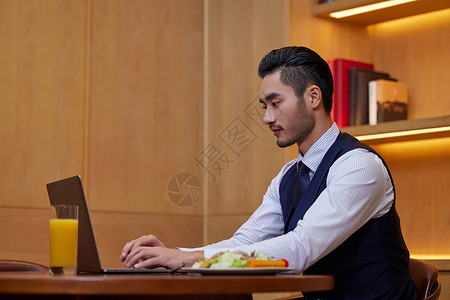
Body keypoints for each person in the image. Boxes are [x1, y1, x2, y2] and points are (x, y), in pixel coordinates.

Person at [120, 46, 417, 299]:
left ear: (313, 97)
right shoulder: (289, 175)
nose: (266, 118)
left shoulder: (359, 166)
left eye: (275, 103)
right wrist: (177, 254)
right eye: (265, 106)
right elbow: (244, 243)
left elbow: (299, 248)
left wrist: (187, 258)